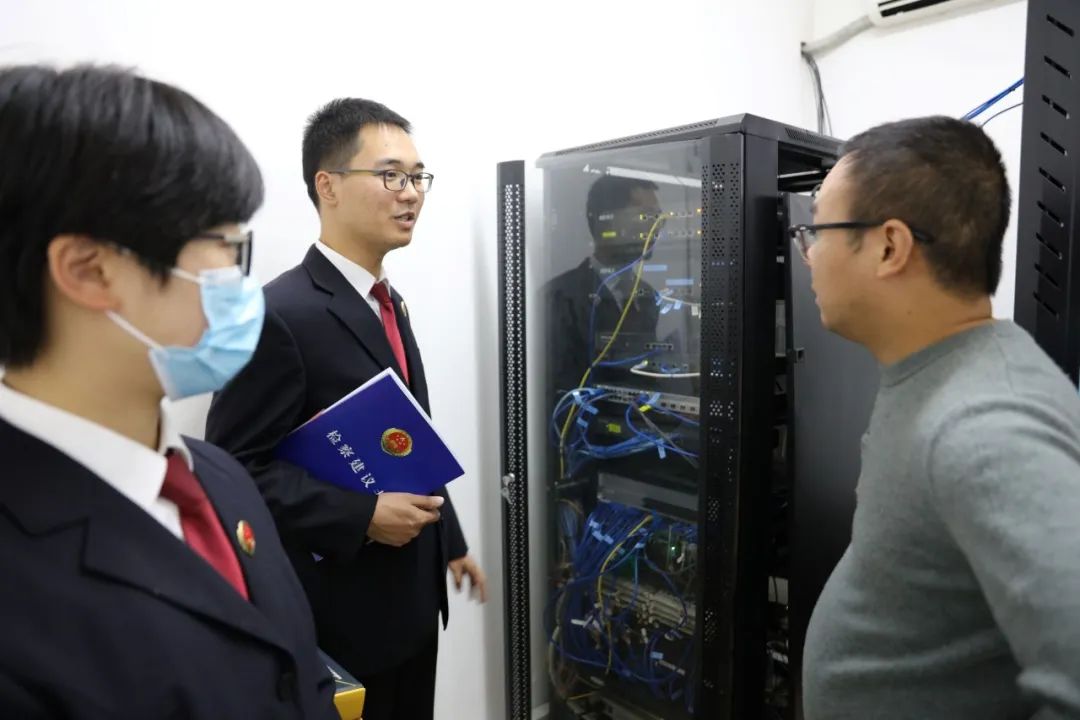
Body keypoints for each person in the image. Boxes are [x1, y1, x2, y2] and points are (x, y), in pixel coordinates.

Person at [0, 64, 337, 719]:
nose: (243, 283)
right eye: (226, 248)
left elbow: (299, 677)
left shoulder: (217, 478)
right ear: (89, 270)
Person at [206, 97, 486, 720]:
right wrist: (361, 516)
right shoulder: (280, 314)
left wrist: (451, 542)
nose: (411, 193)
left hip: (413, 605)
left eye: (417, 176)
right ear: (327, 186)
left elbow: (406, 438)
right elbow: (234, 469)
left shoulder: (388, 302)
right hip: (343, 622)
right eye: (390, 175)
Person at [796, 115, 1080, 719]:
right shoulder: (935, 372)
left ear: (889, 247)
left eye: (817, 231)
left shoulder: (984, 426)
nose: (809, 255)